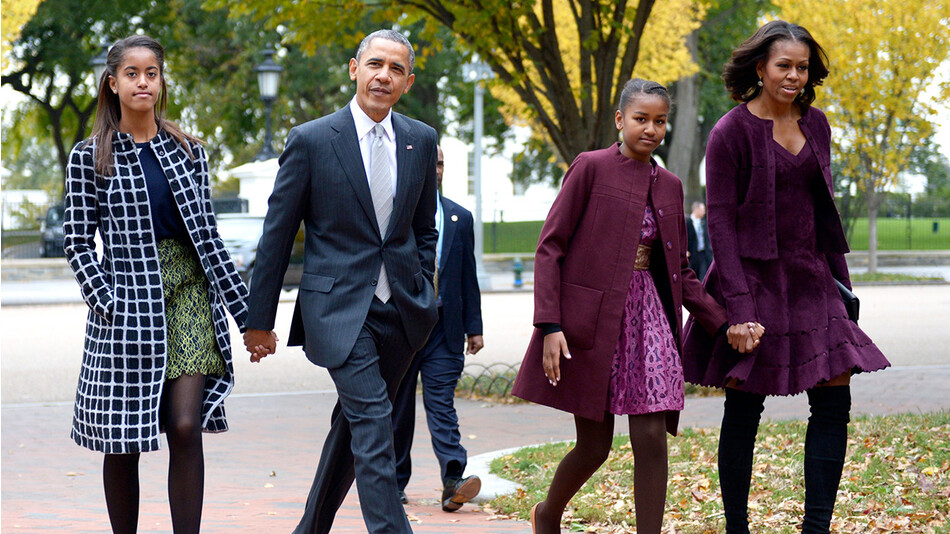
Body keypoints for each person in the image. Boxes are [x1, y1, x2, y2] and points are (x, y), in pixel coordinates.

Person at [511, 79, 760, 534]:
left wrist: (723, 323)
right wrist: (549, 325)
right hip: (593, 322)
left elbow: (680, 270)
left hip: (650, 320)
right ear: (620, 119)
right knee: (595, 446)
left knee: (650, 437)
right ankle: (547, 513)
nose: (651, 129)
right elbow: (550, 248)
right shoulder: (590, 167)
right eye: (641, 119)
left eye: (660, 121)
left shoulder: (670, 185)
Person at [681, 20, 891, 534]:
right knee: (744, 408)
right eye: (784, 66)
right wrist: (739, 310)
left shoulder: (817, 124)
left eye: (802, 67)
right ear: (761, 67)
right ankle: (737, 527)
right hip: (751, 284)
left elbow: (825, 210)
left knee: (834, 401)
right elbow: (721, 224)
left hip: (813, 279)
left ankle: (816, 528)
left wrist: (844, 291)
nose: (794, 75)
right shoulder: (729, 132)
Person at [242, 29, 439, 534]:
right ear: (355, 69)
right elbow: (277, 235)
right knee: (374, 422)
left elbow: (424, 229)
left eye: (396, 69)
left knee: (354, 427)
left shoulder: (421, 140)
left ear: (408, 82)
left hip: (402, 311)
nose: (384, 76)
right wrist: (259, 320)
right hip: (337, 311)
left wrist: (424, 288)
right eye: (375, 64)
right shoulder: (311, 140)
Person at [63, 35, 250, 534]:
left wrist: (249, 318)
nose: (143, 82)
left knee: (185, 426)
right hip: (126, 301)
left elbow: (209, 238)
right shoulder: (89, 156)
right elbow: (77, 242)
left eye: (152, 73)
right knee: (123, 439)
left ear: (161, 81)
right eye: (132, 73)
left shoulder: (189, 152)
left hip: (189, 293)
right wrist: (106, 301)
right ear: (113, 83)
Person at [391, 146, 484, 511]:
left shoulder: (460, 217)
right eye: (430, 163)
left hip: (445, 329)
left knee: (441, 403)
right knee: (399, 409)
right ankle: (394, 482)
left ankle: (453, 479)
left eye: (441, 164)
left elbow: (467, 276)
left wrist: (474, 327)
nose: (436, 170)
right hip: (403, 326)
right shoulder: (394, 213)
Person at [685, 201, 712, 281]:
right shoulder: (688, 222)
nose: (704, 212)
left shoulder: (704, 222)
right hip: (692, 254)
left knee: (703, 275)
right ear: (696, 210)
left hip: (703, 253)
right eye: (702, 209)